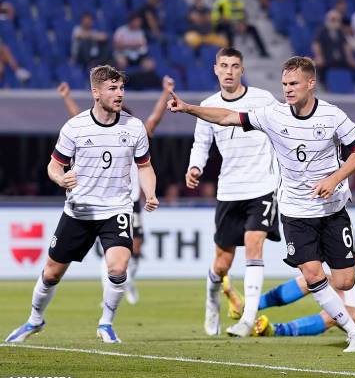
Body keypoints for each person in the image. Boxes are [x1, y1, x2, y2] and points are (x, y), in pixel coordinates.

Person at [168, 56, 355, 352]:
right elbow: (227, 117)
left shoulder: (332, 116)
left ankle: (334, 301)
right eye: (284, 84)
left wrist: (335, 178)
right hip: (294, 211)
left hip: (331, 210)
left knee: (343, 281)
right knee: (312, 274)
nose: (287, 89)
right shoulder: (273, 115)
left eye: (293, 84)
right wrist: (188, 108)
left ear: (310, 84)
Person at [5, 65, 159, 344]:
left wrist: (151, 193)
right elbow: (54, 165)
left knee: (118, 267)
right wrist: (60, 179)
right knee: (52, 272)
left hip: (116, 208)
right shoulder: (75, 127)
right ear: (96, 92)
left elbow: (145, 166)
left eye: (121, 88)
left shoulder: (134, 127)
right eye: (113, 88)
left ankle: (106, 323)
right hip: (79, 210)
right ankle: (35, 320)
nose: (119, 93)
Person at [56, 75, 174, 305]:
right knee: (112, 250)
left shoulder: (134, 132)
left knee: (135, 247)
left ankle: (125, 281)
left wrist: (165, 93)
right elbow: (77, 120)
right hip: (105, 200)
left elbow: (155, 119)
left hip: (130, 201)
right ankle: (109, 291)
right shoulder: (95, 130)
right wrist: (67, 97)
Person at [185, 47, 280, 337]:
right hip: (229, 190)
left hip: (262, 187)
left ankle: (248, 318)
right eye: (223, 65)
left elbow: (281, 129)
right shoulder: (208, 105)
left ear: (242, 70)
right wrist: (195, 167)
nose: (228, 71)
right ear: (216, 69)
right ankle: (212, 299)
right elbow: (201, 144)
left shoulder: (263, 99)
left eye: (234, 66)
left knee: (254, 245)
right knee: (222, 263)